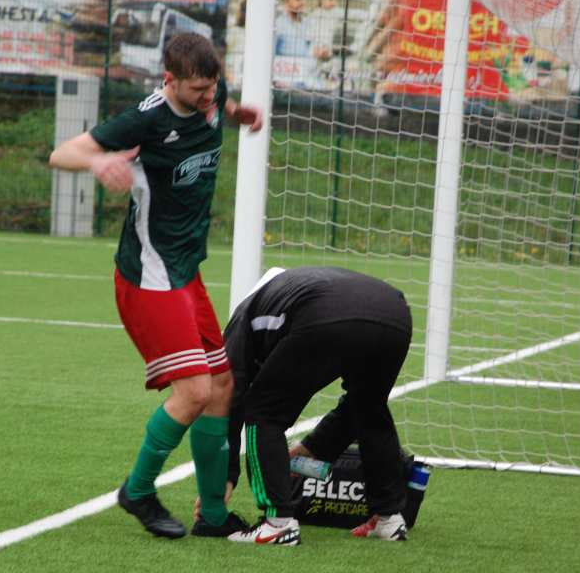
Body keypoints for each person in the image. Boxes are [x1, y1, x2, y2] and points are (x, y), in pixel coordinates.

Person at [48, 32, 262, 540]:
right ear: (169, 81)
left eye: (212, 88)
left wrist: (235, 112)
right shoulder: (145, 120)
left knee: (223, 387)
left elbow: (220, 101)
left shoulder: (211, 92)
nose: (207, 97)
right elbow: (62, 153)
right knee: (193, 391)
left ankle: (212, 516)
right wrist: (99, 160)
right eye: (196, 91)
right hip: (148, 277)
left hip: (186, 273)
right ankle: (138, 491)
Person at [221, 266, 413, 545]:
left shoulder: (243, 316)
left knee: (263, 412)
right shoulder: (296, 286)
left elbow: (229, 393)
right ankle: (388, 518)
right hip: (396, 315)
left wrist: (223, 476)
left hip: (327, 314)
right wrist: (314, 449)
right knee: (368, 407)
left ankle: (278, 523)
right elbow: (353, 412)